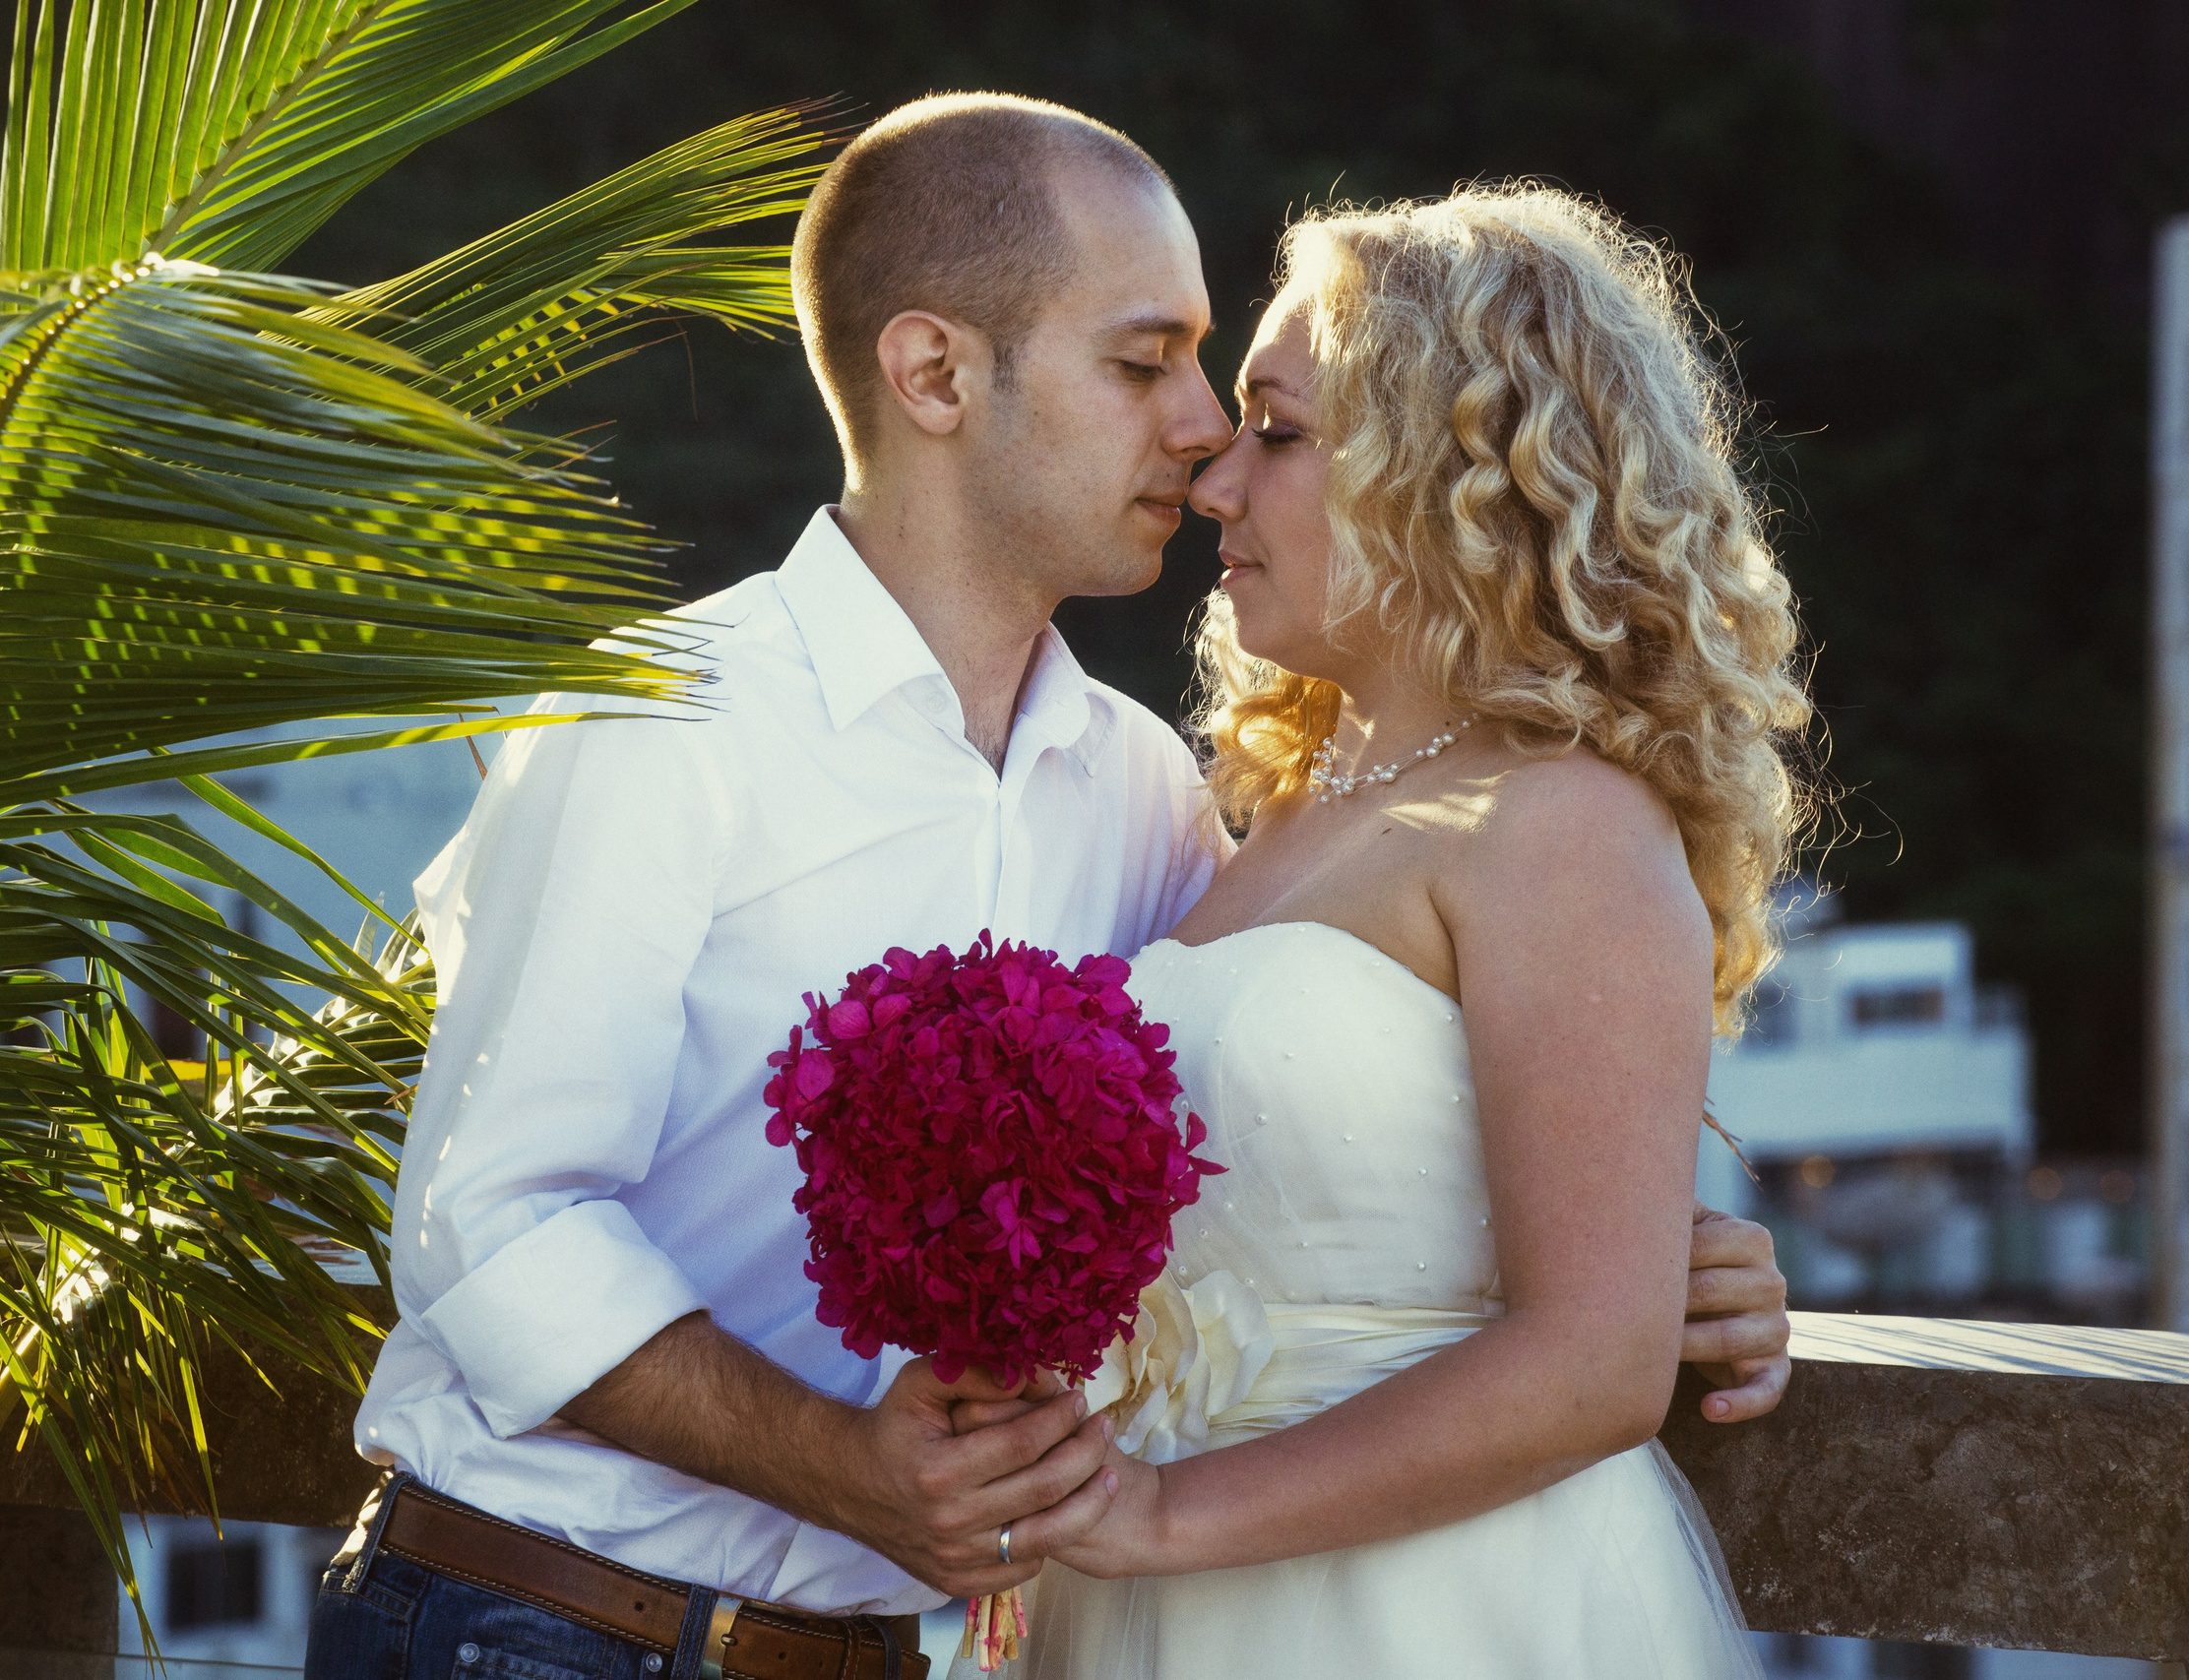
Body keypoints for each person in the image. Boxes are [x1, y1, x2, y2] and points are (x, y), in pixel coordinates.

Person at [303, 97, 1791, 1680]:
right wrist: (841, 1465)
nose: (1204, 432)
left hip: (898, 1654)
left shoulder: (1147, 794)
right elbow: (492, 1223)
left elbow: (1318, 1112)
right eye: (1144, 362)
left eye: (1233, 389)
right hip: (542, 1627)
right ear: (936, 373)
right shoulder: (669, 720)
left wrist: (1660, 1263)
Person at [1012, 183, 1803, 1677]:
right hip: (1142, 1600)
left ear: (1458, 469)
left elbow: (1591, 1363)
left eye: (1280, 431)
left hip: (1413, 1612)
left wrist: (1167, 1517)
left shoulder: (1559, 820)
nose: (1215, 483)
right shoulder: (1257, 827)